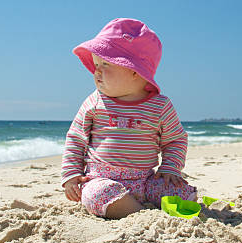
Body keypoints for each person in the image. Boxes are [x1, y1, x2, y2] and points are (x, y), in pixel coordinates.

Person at [61, 18, 196, 219]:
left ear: (135, 71)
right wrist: (71, 175)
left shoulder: (160, 106)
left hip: (146, 181)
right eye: (96, 64)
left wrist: (170, 167)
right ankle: (140, 214)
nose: (96, 72)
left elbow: (174, 140)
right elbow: (76, 139)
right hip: (101, 179)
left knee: (184, 193)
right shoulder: (94, 102)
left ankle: (134, 207)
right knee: (96, 195)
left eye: (105, 64)